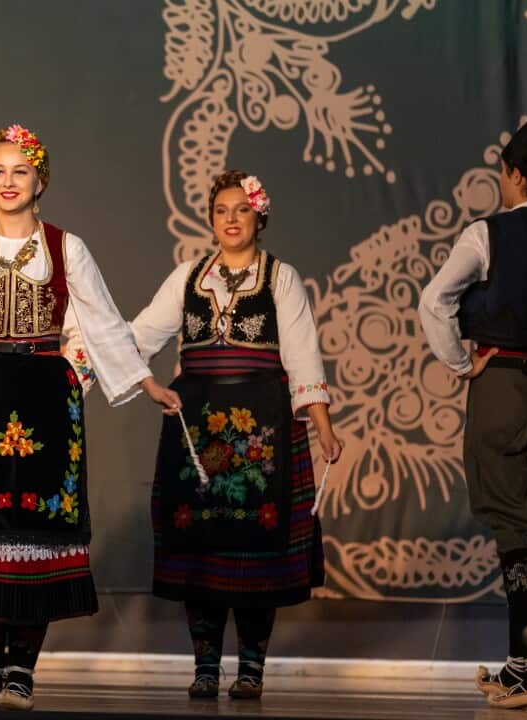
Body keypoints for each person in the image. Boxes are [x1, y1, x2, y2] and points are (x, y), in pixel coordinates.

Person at [0, 124, 180, 711]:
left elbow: (103, 321)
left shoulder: (66, 247)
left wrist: (145, 381)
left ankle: (21, 673)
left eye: (20, 172)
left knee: (38, 530)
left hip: (44, 396)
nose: (8, 183)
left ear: (40, 181)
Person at [129, 170, 339, 699]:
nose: (230, 219)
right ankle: (205, 666)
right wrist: (148, 384)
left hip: (261, 431)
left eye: (241, 210)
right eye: (221, 210)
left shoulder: (281, 278)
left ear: (258, 218)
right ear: (210, 218)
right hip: (197, 431)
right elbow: (138, 338)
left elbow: (302, 356)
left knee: (257, 549)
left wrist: (323, 429)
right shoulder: (187, 277)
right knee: (198, 547)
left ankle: (251, 668)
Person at [419, 113, 527, 710]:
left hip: (503, 385)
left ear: (515, 174)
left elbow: (435, 300)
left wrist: (459, 363)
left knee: (512, 524)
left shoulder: (486, 234)